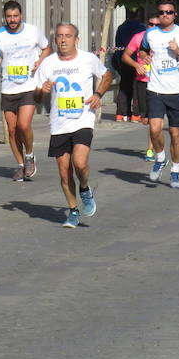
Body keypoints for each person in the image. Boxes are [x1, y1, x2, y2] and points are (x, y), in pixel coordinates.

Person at [35, 23, 112, 228]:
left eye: (68, 36)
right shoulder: (48, 64)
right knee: (63, 171)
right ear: (55, 40)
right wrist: (42, 90)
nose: (63, 40)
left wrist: (98, 94)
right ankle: (73, 210)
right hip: (59, 124)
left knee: (79, 162)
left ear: (76, 39)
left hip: (83, 119)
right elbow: (35, 94)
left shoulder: (88, 59)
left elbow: (106, 76)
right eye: (59, 36)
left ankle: (85, 188)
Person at [125, 0, 179, 189]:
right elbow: (141, 51)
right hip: (155, 89)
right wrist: (144, 56)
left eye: (169, 12)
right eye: (161, 13)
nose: (165, 15)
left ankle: (175, 170)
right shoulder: (151, 34)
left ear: (175, 14)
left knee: (175, 134)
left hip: (176, 91)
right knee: (155, 129)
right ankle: (160, 157)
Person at [0, 0, 51, 181]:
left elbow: (47, 48)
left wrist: (40, 60)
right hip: (8, 88)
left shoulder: (32, 31)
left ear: (21, 15)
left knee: (24, 125)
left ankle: (29, 156)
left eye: (15, 16)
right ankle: (21, 165)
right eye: (9, 16)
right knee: (12, 130)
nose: (12, 20)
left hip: (29, 86)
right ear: (5, 17)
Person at [123, 14, 160, 160]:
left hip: (159, 83)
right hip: (143, 81)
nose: (154, 27)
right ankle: (155, 144)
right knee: (145, 119)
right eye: (151, 24)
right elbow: (125, 56)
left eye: (157, 24)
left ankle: (151, 149)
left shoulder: (166, 38)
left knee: (154, 118)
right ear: (147, 25)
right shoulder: (138, 37)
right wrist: (136, 65)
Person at [113, 9, 147, 121]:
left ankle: (121, 113)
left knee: (124, 86)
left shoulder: (121, 27)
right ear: (138, 14)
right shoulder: (141, 28)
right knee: (136, 87)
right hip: (136, 60)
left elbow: (117, 45)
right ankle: (136, 114)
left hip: (122, 59)